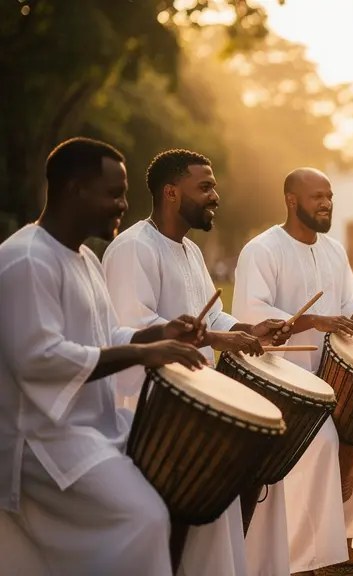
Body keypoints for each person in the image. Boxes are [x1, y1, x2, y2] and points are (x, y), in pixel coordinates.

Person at [0, 137, 209, 575]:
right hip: (42, 440)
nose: (124, 204)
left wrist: (160, 332)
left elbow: (102, 334)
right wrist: (143, 352)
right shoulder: (26, 259)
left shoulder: (85, 260)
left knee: (184, 469)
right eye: (114, 193)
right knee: (143, 517)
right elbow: (39, 359)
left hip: (94, 424)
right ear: (74, 189)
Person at [101, 149, 288, 576]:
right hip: (146, 407)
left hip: (196, 401)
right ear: (171, 192)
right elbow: (139, 326)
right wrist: (222, 338)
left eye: (213, 186)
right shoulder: (133, 248)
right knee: (172, 517)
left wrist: (249, 329)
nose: (215, 196)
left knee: (220, 501)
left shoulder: (189, 250)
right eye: (204, 187)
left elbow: (210, 314)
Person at [232, 167, 353, 576]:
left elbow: (350, 305)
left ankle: (343, 545)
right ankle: (304, 556)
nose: (326, 203)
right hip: (282, 380)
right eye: (317, 197)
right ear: (292, 200)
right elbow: (251, 316)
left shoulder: (333, 250)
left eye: (329, 196)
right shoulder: (262, 249)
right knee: (324, 441)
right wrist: (313, 320)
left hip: (332, 377)